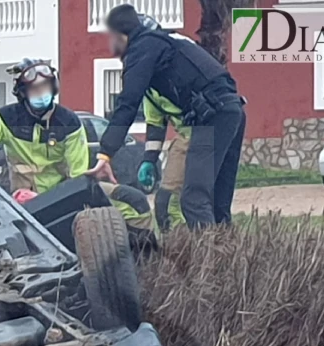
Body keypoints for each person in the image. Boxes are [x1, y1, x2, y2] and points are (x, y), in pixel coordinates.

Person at [89, 4, 246, 228]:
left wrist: (105, 154)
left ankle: (211, 260)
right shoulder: (169, 45)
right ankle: (231, 258)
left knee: (193, 199)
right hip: (232, 111)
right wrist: (149, 158)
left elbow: (127, 103)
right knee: (217, 202)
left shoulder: (143, 47)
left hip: (212, 118)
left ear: (121, 35)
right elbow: (155, 120)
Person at [0, 58, 154, 236]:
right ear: (23, 93)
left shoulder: (70, 123)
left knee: (135, 201)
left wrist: (54, 198)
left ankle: (145, 254)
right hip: (19, 200)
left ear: (54, 87)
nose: (41, 94)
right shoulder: (3, 119)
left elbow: (77, 177)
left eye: (45, 87)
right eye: (35, 89)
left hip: (63, 197)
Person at [141, 87, 188, 232]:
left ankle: (212, 247)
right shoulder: (149, 91)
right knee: (166, 202)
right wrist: (149, 159)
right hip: (187, 136)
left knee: (201, 202)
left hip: (214, 131)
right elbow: (156, 124)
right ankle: (178, 246)